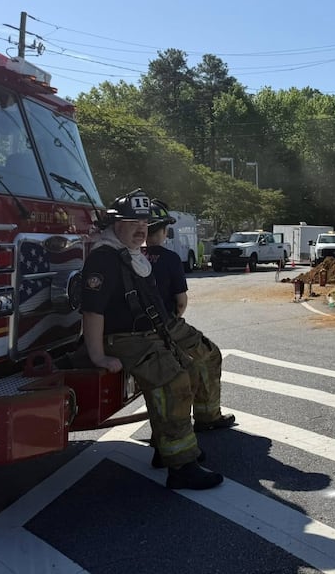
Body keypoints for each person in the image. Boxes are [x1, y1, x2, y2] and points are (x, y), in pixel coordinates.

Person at [81, 189, 223, 491]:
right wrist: (98, 357)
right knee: (173, 382)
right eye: (133, 221)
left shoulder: (131, 254)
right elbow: (92, 312)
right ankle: (182, 466)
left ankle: (168, 447)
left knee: (191, 367)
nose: (141, 229)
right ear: (116, 224)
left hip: (152, 331)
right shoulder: (103, 259)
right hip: (126, 338)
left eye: (144, 222)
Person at [145, 199, 234, 452]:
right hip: (166, 324)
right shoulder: (170, 259)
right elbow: (180, 302)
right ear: (163, 231)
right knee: (209, 354)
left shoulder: (127, 256)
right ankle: (207, 417)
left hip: (132, 328)